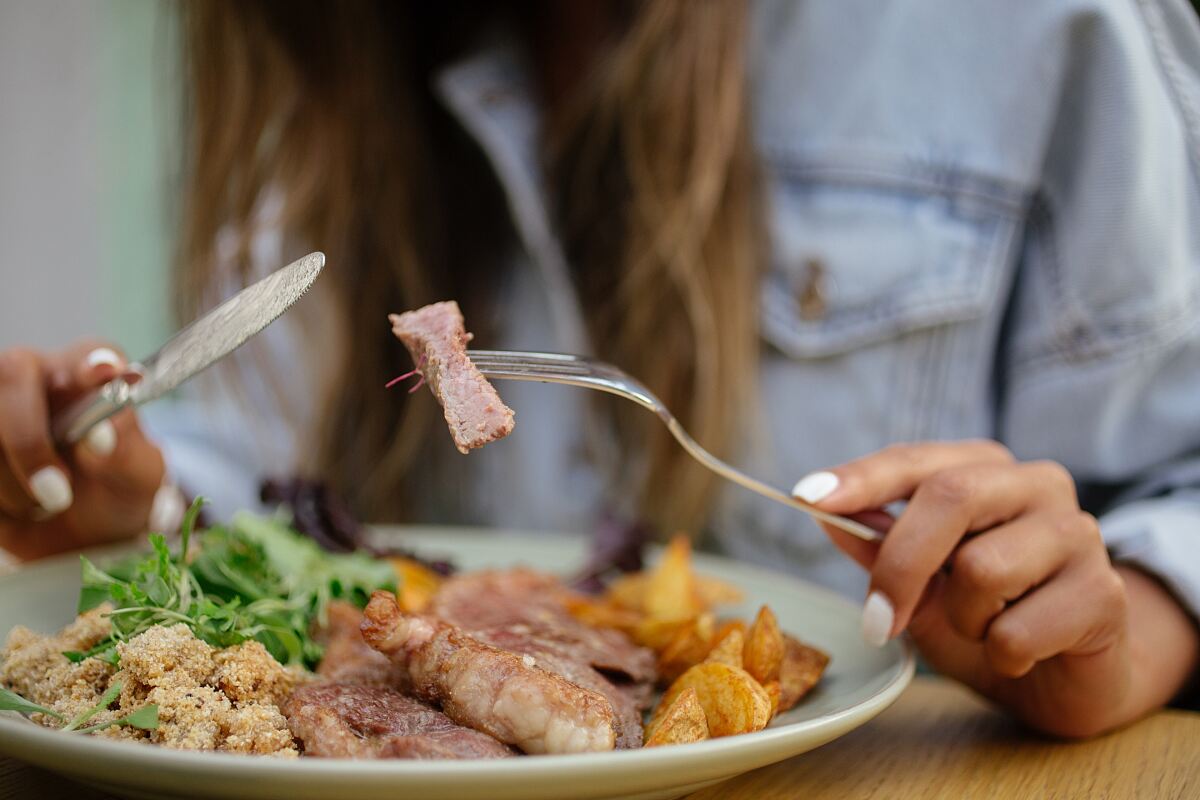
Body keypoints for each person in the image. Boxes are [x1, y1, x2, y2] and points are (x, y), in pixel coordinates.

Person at [1, 0, 1198, 738]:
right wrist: (135, 503)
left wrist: (1117, 643)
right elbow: (267, 465)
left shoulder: (1043, 27)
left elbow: (1181, 483)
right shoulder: (334, 51)